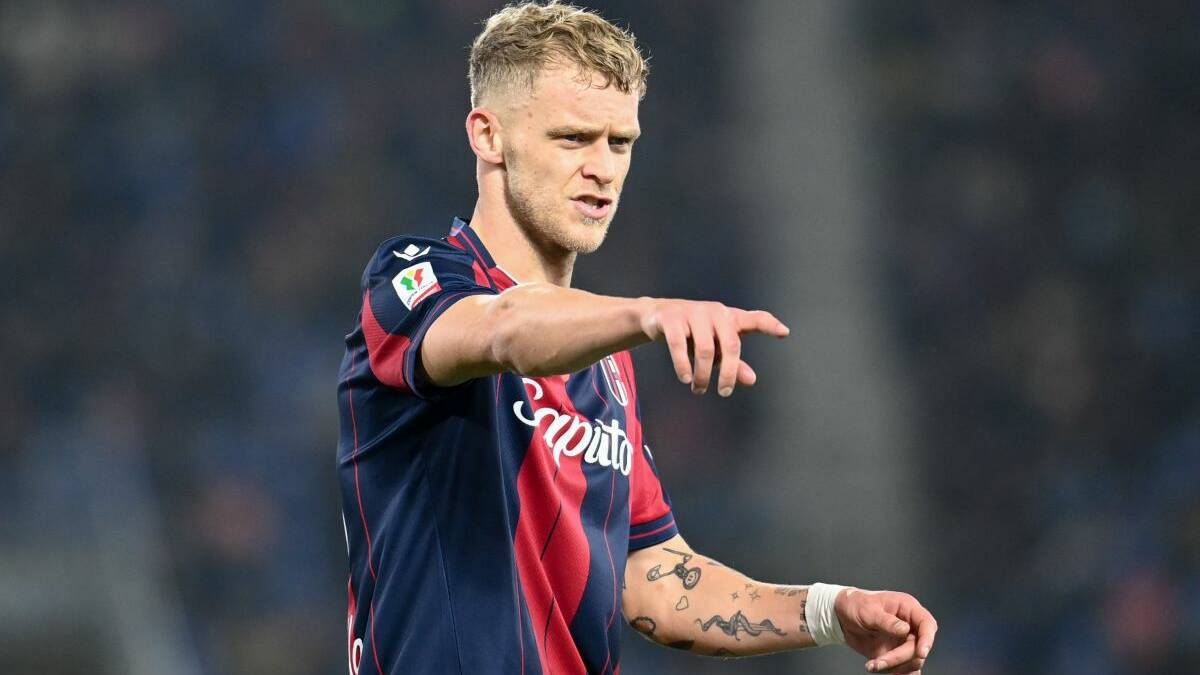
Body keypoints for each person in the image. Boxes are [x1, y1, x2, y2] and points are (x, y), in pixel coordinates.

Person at [336, 3, 937, 674]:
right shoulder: (410, 281)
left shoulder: (607, 360)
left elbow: (656, 580)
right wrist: (648, 313)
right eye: (573, 138)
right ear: (488, 135)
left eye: (619, 142)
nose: (603, 169)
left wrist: (830, 609)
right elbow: (504, 328)